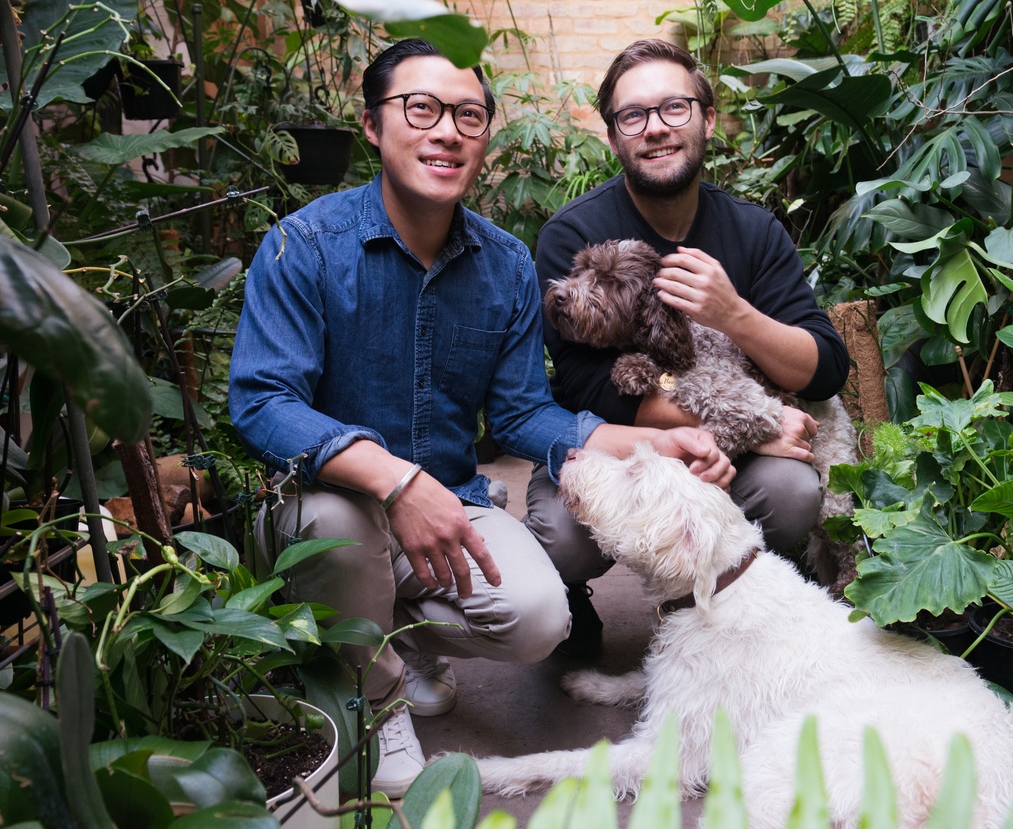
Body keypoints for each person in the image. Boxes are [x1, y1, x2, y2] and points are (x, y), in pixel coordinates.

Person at [228, 39, 734, 798]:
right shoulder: (305, 245)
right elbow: (261, 402)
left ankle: (388, 634)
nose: (446, 131)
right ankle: (375, 691)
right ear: (372, 125)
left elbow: (526, 412)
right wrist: (399, 483)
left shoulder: (503, 265)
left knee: (540, 616)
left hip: (450, 502)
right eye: (420, 109)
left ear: (486, 136)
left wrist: (653, 439)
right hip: (325, 506)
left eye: (469, 114)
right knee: (340, 519)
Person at [525, 39, 850, 658]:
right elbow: (592, 386)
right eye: (633, 115)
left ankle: (748, 609)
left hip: (731, 434)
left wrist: (734, 315)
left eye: (674, 107)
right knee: (562, 534)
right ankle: (573, 604)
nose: (656, 129)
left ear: (705, 115)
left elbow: (825, 367)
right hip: (621, 441)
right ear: (615, 136)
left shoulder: (752, 231)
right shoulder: (573, 232)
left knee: (791, 492)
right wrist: (751, 428)